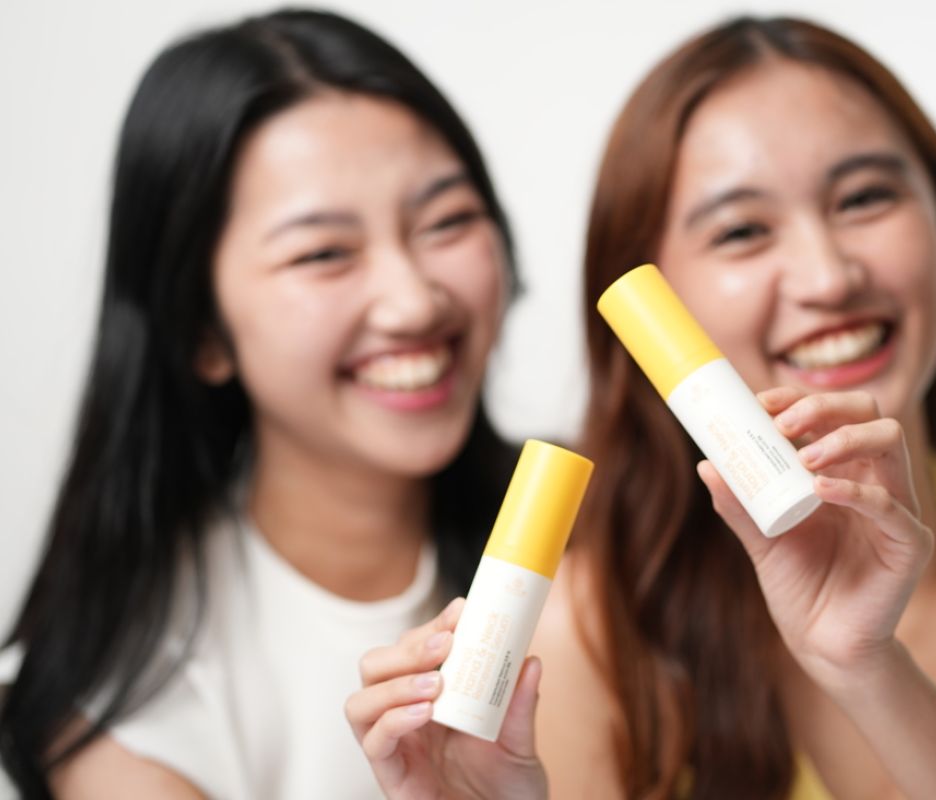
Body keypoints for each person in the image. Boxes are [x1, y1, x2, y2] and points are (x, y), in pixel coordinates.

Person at [350, 15, 936, 800]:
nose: (828, 277)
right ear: (651, 309)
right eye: (742, 232)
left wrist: (867, 668)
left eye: (863, 198)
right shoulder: (583, 635)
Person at [0, 9, 542, 799]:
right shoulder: (133, 705)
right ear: (201, 329)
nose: (413, 301)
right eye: (323, 252)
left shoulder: (608, 548)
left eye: (447, 220)